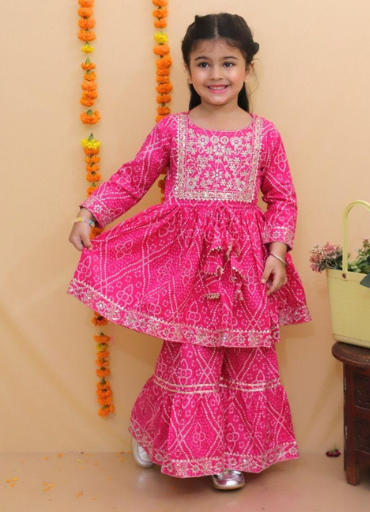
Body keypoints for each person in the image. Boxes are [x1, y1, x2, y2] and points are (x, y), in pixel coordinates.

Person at [67, 12, 311, 491]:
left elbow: (282, 198)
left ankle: (231, 455)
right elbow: (135, 177)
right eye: (203, 63)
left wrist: (277, 253)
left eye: (228, 63)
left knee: (246, 356)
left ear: (247, 68)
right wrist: (90, 213)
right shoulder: (173, 130)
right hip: (185, 267)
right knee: (189, 355)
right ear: (188, 69)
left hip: (244, 270)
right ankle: (159, 434)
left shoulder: (264, 134)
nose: (216, 75)